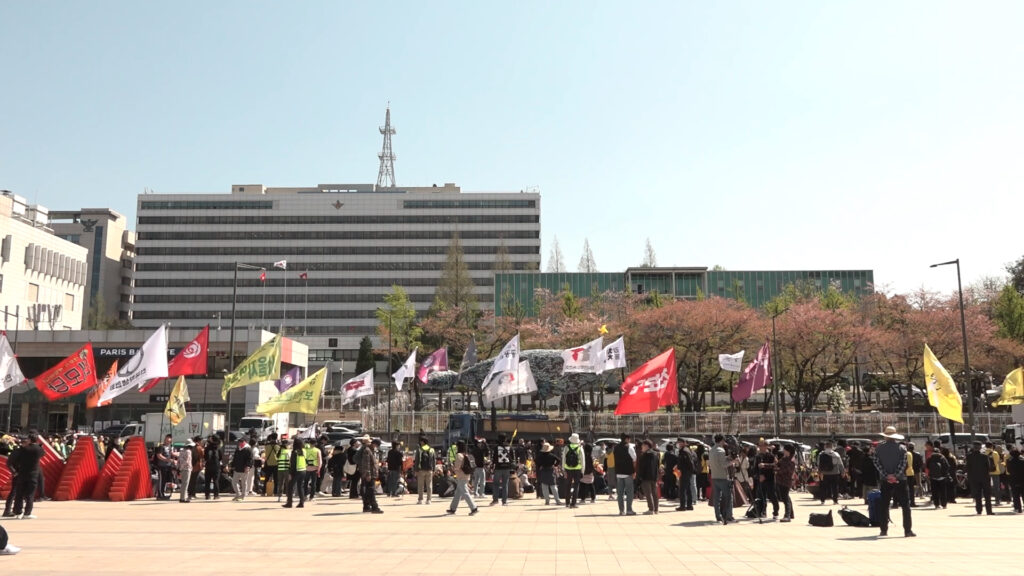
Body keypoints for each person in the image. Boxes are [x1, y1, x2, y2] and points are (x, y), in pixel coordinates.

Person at [871, 426, 914, 537]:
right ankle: (907, 530)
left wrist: (887, 475)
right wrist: (895, 475)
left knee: (884, 504)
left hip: (885, 480)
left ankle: (884, 529)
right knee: (905, 505)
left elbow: (876, 463)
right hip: (900, 480)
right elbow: (903, 463)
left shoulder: (879, 448)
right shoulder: (902, 448)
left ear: (885, 436)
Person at [9, 435, 43, 519]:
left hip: (22, 474)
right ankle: (27, 513)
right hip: (33, 474)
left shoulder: (23, 450)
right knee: (30, 495)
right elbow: (42, 454)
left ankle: (18, 512)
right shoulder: (38, 449)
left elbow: (14, 460)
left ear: (29, 440)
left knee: (19, 494)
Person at [446, 440, 480, 516]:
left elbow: (457, 467)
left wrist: (452, 467)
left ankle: (474, 508)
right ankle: (453, 508)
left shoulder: (459, 455)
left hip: (461, 476)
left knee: (465, 493)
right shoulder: (466, 454)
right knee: (457, 493)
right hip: (466, 475)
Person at [709, 434, 734, 525]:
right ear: (722, 441)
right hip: (722, 477)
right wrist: (733, 462)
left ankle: (718, 516)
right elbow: (723, 465)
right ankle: (728, 516)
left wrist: (727, 458)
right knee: (728, 497)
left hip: (714, 476)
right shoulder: (721, 450)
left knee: (717, 498)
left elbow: (718, 461)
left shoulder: (711, 450)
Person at [357, 435, 383, 514]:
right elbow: (366, 463)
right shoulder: (367, 451)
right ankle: (374, 507)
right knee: (371, 491)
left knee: (368, 491)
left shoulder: (370, 450)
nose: (376, 447)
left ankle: (366, 506)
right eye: (376, 445)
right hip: (369, 475)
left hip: (370, 474)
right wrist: (368, 474)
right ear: (374, 444)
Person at [754, 440, 780, 518]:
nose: (760, 447)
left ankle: (775, 512)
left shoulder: (771, 456)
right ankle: (763, 512)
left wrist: (765, 465)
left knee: (772, 496)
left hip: (770, 479)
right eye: (759, 446)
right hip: (761, 480)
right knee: (761, 497)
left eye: (762, 446)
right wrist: (758, 476)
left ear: (766, 446)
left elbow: (775, 465)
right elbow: (755, 468)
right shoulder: (757, 456)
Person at [966, 441, 993, 515]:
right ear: (980, 447)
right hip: (985, 478)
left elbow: (967, 468)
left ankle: (979, 510)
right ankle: (989, 511)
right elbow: (989, 467)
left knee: (977, 495)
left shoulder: (969, 456)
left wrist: (970, 477)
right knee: (987, 495)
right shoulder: (984, 456)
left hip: (974, 478)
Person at [613, 433, 637, 516]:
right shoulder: (629, 447)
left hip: (618, 473)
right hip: (628, 473)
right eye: (629, 439)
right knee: (629, 492)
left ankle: (621, 510)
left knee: (620, 494)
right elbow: (634, 459)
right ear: (626, 439)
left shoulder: (615, 448)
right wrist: (634, 471)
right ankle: (629, 510)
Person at [490, 434, 515, 506]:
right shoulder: (510, 447)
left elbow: (494, 458)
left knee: (496, 484)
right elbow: (512, 458)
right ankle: (504, 501)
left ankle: (495, 500)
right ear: (506, 439)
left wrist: (492, 466)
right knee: (505, 484)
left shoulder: (496, 447)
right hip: (507, 468)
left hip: (498, 468)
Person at [282, 438, 307, 509]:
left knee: (290, 486)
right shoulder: (304, 451)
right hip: (303, 470)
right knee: (300, 487)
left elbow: (293, 464)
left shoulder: (294, 452)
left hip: (296, 471)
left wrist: (290, 473)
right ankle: (301, 502)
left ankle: (289, 503)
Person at [817, 441, 844, 505]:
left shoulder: (821, 454)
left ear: (825, 446)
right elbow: (840, 464)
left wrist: (819, 472)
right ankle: (835, 501)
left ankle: (822, 500)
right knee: (835, 487)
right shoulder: (836, 454)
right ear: (832, 447)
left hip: (824, 473)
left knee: (823, 487)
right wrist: (842, 472)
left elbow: (818, 464)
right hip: (835, 473)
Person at [637, 439, 660, 515]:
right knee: (654, 493)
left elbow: (642, 467)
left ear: (646, 446)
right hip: (654, 476)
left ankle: (651, 509)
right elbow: (658, 466)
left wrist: (640, 476)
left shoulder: (645, 455)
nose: (641, 447)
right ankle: (656, 509)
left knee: (648, 493)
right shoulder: (656, 454)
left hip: (646, 476)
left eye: (642, 446)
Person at [925, 443, 951, 509]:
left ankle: (936, 505)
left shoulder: (930, 458)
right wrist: (944, 473)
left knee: (935, 492)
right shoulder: (942, 457)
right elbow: (947, 466)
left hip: (933, 477)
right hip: (942, 477)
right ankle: (944, 505)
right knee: (943, 491)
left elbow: (927, 466)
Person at [775, 444, 796, 522]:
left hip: (786, 481)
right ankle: (791, 513)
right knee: (786, 496)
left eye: (784, 450)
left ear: (788, 451)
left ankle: (787, 516)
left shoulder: (791, 460)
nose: (783, 451)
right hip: (781, 480)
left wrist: (777, 471)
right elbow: (777, 464)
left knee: (785, 498)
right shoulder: (784, 458)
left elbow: (788, 471)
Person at [563, 433, 585, 509]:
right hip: (577, 469)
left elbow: (563, 459)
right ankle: (573, 503)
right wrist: (582, 471)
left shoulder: (566, 447)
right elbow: (583, 461)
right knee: (576, 486)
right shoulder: (580, 448)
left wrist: (563, 469)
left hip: (568, 469)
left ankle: (567, 503)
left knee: (567, 485)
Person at [675, 439, 696, 511]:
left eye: (680, 443)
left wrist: (688, 471)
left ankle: (683, 506)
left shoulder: (684, 451)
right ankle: (689, 505)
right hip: (686, 471)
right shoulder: (685, 450)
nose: (679, 444)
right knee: (688, 488)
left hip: (685, 472)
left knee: (682, 489)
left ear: (684, 443)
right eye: (678, 443)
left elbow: (689, 462)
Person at [414, 436, 436, 504]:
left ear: (423, 442)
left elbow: (417, 460)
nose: (420, 442)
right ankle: (429, 500)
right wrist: (433, 469)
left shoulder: (419, 449)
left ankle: (420, 499)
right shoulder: (432, 450)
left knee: (421, 485)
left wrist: (416, 470)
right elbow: (434, 461)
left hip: (421, 470)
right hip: (429, 470)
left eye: (421, 441)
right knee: (429, 485)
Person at [153, 434, 175, 500]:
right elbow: (159, 455)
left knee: (165, 481)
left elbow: (172, 454)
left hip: (168, 466)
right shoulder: (161, 447)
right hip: (161, 466)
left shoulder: (170, 447)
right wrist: (166, 459)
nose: (168, 440)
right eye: (167, 439)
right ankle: (159, 495)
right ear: (165, 439)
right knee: (161, 481)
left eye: (170, 439)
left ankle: (163, 493)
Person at [203, 436, 223, 500]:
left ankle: (207, 495)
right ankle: (216, 495)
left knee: (207, 481)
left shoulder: (207, 448)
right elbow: (220, 457)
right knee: (216, 481)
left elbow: (205, 457)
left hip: (208, 465)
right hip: (216, 466)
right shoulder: (218, 448)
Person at [1005, 448, 1024, 513]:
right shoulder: (1022, 460)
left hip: (1013, 479)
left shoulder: (1009, 461)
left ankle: (1018, 508)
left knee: (1016, 495)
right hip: (1022, 479)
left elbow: (1008, 470)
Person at [177, 439, 195, 503]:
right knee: (186, 484)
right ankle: (183, 498)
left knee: (183, 484)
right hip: (187, 469)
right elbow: (187, 461)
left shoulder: (181, 451)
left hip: (182, 469)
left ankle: (183, 497)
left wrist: (179, 468)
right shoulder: (188, 451)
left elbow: (179, 460)